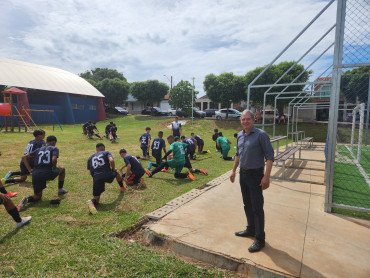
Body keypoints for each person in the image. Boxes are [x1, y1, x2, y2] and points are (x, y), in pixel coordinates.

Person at [230, 110, 274, 253]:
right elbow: (238, 154)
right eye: (243, 119)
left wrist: (266, 176)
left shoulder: (261, 135)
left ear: (253, 120)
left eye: (248, 119)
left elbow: (269, 156)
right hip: (243, 174)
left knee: (257, 207)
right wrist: (233, 171)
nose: (245, 122)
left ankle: (260, 238)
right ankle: (251, 229)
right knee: (247, 204)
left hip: (256, 175)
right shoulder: (240, 135)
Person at [17, 135, 67, 211]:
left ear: (46, 142)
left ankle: (26, 200)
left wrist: (30, 169)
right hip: (47, 172)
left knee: (37, 196)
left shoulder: (38, 149)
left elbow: (24, 157)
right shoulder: (54, 148)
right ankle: (60, 189)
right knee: (62, 169)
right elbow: (54, 160)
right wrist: (54, 167)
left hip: (36, 174)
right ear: (54, 142)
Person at [2, 130, 46, 195]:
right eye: (43, 135)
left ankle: (5, 181)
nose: (44, 136)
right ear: (39, 136)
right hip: (31, 160)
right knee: (40, 170)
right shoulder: (41, 142)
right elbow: (40, 153)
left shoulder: (31, 141)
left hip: (23, 161)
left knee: (23, 179)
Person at [86, 143, 125, 214]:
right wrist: (113, 169)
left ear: (96, 149)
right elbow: (112, 161)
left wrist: (96, 178)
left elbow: (91, 171)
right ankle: (122, 187)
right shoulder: (106, 152)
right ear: (103, 148)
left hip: (96, 177)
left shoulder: (90, 157)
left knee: (97, 199)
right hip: (107, 175)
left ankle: (92, 202)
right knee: (116, 173)